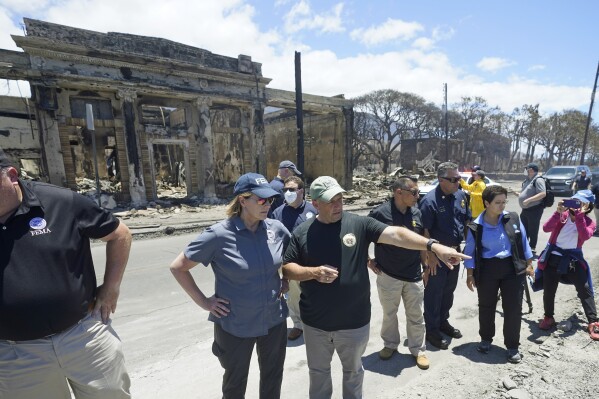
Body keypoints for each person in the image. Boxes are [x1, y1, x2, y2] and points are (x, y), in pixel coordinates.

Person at [282, 176, 468, 399]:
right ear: (315, 203)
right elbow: (288, 269)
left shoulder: (358, 224)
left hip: (353, 323)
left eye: (340, 199)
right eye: (331, 201)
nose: (338, 205)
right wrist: (313, 272)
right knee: (319, 374)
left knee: (353, 374)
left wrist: (433, 246)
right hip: (315, 324)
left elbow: (397, 234)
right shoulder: (303, 231)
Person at [0, 148, 133, 399]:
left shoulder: (61, 203)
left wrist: (111, 286)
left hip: (83, 338)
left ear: (12, 175)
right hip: (16, 357)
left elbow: (120, 234)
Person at [169, 172, 290, 399]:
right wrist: (205, 302)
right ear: (243, 201)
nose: (268, 205)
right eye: (261, 200)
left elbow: (292, 259)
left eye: (271, 200)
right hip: (236, 326)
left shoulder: (276, 229)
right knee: (234, 386)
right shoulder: (218, 235)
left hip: (274, 321)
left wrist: (287, 280)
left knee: (273, 379)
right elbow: (178, 267)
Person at [464, 185, 535, 364]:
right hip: (488, 269)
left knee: (513, 308)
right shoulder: (475, 226)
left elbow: (524, 242)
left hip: (512, 269)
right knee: (486, 306)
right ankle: (486, 339)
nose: (502, 206)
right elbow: (470, 252)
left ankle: (512, 346)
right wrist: (470, 275)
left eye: (504, 202)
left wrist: (529, 264)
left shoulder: (513, 218)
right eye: (498, 202)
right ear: (486, 203)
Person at [367, 177, 430, 370]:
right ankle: (390, 345)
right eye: (414, 193)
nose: (417, 197)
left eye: (418, 193)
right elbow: (363, 236)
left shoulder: (417, 213)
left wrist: (426, 266)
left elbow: (422, 242)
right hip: (388, 275)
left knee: (416, 315)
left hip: (413, 275)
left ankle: (418, 349)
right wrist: (367, 260)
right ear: (398, 192)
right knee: (389, 314)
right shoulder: (379, 213)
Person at [419, 162, 471, 350]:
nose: (459, 182)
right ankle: (432, 330)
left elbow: (465, 222)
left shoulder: (460, 196)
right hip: (437, 256)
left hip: (455, 253)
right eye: (454, 179)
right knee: (434, 294)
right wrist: (428, 258)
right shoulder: (429, 201)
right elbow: (423, 231)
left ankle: (443, 322)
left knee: (448, 291)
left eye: (459, 178)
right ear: (441, 180)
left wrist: (467, 248)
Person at [535, 190, 599, 340]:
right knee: (549, 289)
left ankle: (593, 321)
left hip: (573, 259)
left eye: (581, 202)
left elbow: (584, 235)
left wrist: (580, 217)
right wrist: (557, 213)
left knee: (585, 289)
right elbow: (546, 228)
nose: (576, 205)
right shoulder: (562, 216)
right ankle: (548, 317)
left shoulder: (590, 222)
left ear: (588, 206)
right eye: (575, 201)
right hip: (553, 257)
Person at [271, 175, 318, 341]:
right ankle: (298, 325)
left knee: (313, 293)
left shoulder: (312, 210)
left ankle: (316, 323)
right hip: (287, 262)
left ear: (301, 191)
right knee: (293, 296)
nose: (287, 192)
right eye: (285, 190)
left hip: (309, 260)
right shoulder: (277, 213)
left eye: (291, 189)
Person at [516, 162, 547, 254]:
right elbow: (526, 193)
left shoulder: (538, 180)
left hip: (535, 208)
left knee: (533, 228)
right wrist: (518, 194)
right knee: (523, 227)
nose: (525, 171)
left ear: (531, 170)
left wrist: (528, 200)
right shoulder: (527, 180)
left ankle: (532, 246)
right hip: (525, 209)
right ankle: (524, 245)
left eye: (526, 169)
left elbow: (542, 193)